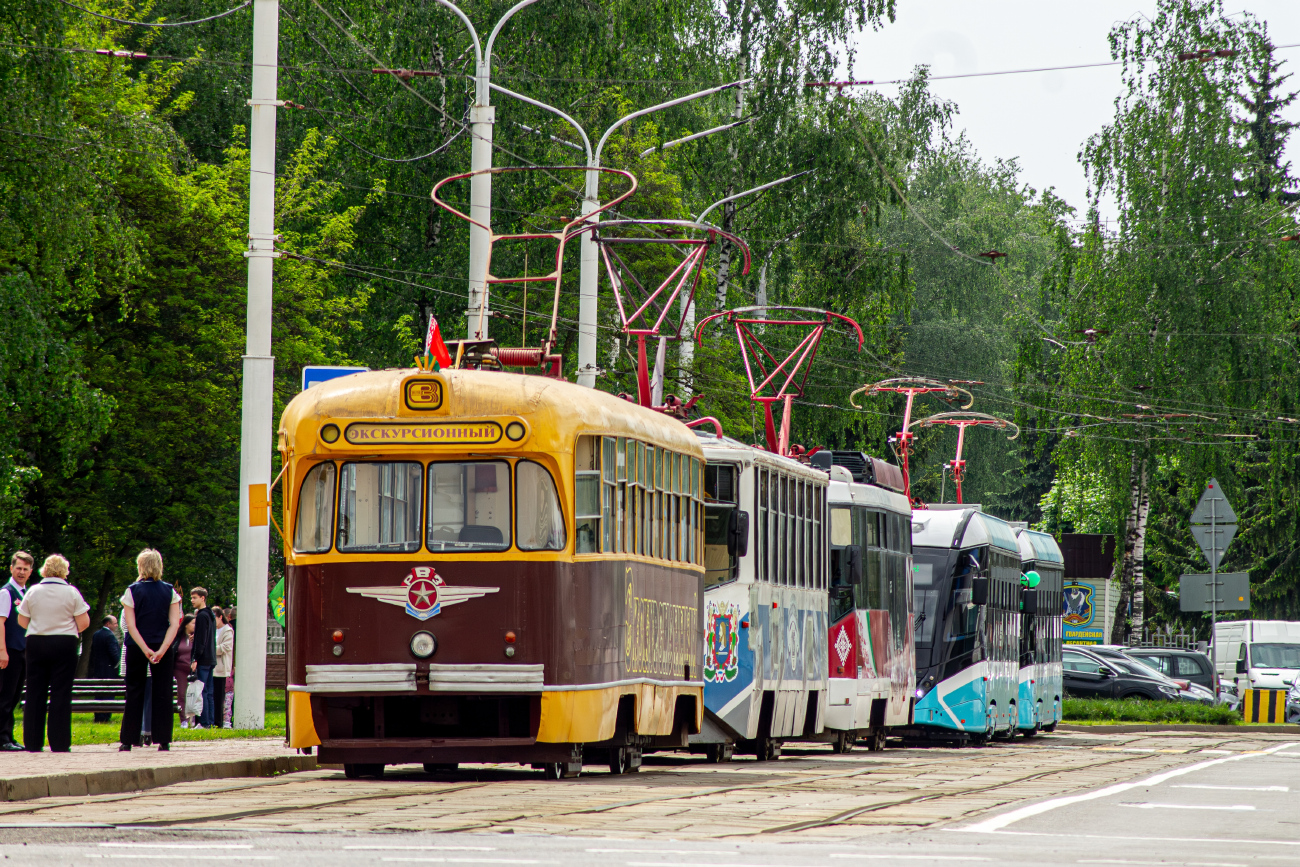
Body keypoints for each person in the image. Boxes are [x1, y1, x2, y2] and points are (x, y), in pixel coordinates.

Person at [16, 554, 90, 752]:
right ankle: (59, 742)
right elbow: (84, 623)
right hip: (64, 642)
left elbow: (22, 620)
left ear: (44, 570)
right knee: (61, 692)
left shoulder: (33, 591)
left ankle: (33, 742)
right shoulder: (72, 592)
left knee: (34, 692)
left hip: (36, 642)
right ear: (64, 570)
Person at [119, 549, 182, 752]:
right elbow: (174, 624)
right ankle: (163, 740)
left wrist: (144, 648)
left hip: (137, 646)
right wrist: (162, 649)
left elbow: (130, 625)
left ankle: (128, 739)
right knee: (163, 691)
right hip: (162, 644)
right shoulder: (170, 591)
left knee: (134, 690)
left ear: (140, 567)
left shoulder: (132, 591)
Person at [0, 551, 34, 751]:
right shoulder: (6, 593)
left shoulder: (25, 593)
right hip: (9, 650)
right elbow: (1, 623)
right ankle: (2, 737)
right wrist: (2, 651)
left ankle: (9, 735)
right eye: (18, 568)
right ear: (11, 568)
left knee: (14, 696)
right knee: (5, 695)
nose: (21, 572)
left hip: (22, 650)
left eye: (25, 569)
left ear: (30, 571)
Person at [190, 588, 216, 729]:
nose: (192, 600)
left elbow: (201, 640)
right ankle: (210, 721)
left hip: (203, 658)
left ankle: (204, 722)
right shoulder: (210, 614)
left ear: (202, 598)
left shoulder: (201, 616)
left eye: (195, 597)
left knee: (201, 691)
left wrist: (195, 658)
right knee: (209, 692)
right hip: (211, 657)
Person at [89, 614, 122, 723]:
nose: (116, 625)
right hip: (109, 670)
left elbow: (93, 652)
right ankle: (106, 717)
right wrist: (119, 666)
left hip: (98, 669)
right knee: (109, 693)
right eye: (115, 623)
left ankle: (98, 716)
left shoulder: (96, 634)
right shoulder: (110, 636)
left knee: (98, 693)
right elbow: (114, 654)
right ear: (108, 624)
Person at [212, 607, 233, 729]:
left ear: (220, 617)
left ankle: (218, 721)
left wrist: (210, 650)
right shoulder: (212, 630)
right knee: (210, 695)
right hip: (211, 666)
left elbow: (226, 647)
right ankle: (211, 719)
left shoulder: (227, 630)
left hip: (220, 668)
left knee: (219, 695)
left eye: (214, 618)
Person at [172, 614, 194, 727]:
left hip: (193, 669)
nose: (195, 626)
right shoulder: (178, 637)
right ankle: (184, 719)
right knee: (182, 694)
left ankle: (194, 719)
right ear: (186, 625)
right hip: (180, 668)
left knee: (194, 694)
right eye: (193, 623)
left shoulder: (197, 637)